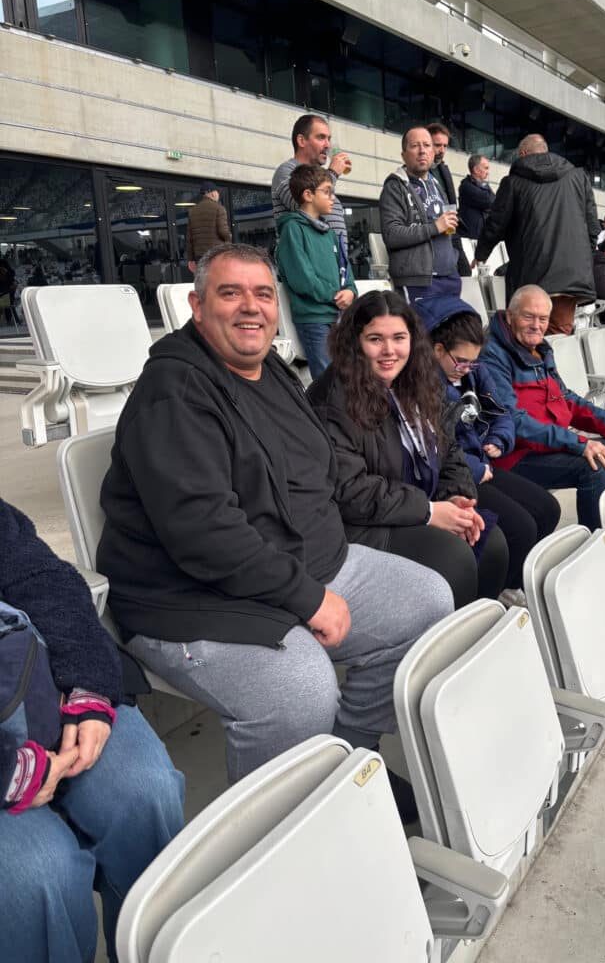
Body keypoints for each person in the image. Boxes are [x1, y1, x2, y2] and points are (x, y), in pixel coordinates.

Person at [97, 243, 453, 801]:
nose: (251, 307)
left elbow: (320, 472)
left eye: (263, 294)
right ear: (197, 306)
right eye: (230, 293)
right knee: (300, 687)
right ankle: (276, 825)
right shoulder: (175, 392)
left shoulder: (272, 372)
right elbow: (205, 533)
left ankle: (344, 763)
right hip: (195, 598)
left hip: (302, 566)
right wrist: (307, 597)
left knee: (428, 601)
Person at [0, 497, 184, 963]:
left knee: (146, 792)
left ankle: (143, 951)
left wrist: (88, 687)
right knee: (41, 875)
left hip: (36, 687)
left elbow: (41, 577)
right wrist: (9, 773)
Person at [308, 290, 508, 608]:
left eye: (399, 338)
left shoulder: (415, 380)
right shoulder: (334, 398)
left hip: (416, 503)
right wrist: (429, 512)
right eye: (375, 339)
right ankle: (447, 634)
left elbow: (449, 449)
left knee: (492, 544)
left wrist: (455, 495)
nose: (389, 350)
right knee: (454, 558)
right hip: (365, 524)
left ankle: (479, 628)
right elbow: (351, 490)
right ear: (354, 342)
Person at [423, 295, 561, 603]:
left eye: (472, 361)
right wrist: (475, 468)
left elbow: (501, 413)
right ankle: (489, 599)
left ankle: (511, 584)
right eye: (461, 361)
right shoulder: (424, 385)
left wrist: (499, 439)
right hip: (456, 477)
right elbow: (435, 447)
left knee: (547, 509)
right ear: (437, 350)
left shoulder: (475, 371)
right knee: (520, 527)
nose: (466, 368)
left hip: (482, 465)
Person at [480, 284, 605, 531]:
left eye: (543, 319)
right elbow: (512, 420)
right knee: (596, 466)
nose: (537, 325)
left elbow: (566, 398)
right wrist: (578, 443)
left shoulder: (540, 349)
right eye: (528, 316)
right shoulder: (492, 354)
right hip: (513, 453)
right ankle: (597, 540)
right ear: (510, 316)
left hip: (548, 444)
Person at [474, 134, 600, 334]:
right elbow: (593, 227)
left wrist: (480, 254)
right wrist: (582, 258)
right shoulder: (578, 177)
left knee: (526, 335)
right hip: (571, 276)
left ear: (523, 153)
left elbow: (495, 224)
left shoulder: (513, 182)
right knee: (558, 334)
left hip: (531, 275)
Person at [274, 164, 357, 379]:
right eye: (327, 191)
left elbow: (345, 269)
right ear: (308, 195)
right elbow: (303, 279)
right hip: (313, 319)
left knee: (347, 376)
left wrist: (350, 290)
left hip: (338, 316)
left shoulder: (330, 233)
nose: (333, 198)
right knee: (326, 380)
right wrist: (335, 296)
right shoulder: (293, 229)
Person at [379, 127, 460, 307]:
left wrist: (454, 261)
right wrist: (435, 227)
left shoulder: (436, 184)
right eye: (415, 145)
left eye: (427, 145)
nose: (422, 150)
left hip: (450, 278)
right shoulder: (395, 187)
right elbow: (392, 235)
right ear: (403, 155)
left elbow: (449, 229)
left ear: (433, 152)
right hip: (418, 283)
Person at [271, 113, 351, 256]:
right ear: (301, 140)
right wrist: (332, 173)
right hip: (308, 260)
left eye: (328, 139)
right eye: (321, 137)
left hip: (331, 262)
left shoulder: (323, 178)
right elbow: (302, 204)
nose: (327, 145)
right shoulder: (286, 171)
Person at [427, 122, 471, 275]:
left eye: (445, 146)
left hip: (451, 230)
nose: (442, 150)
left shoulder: (443, 169)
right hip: (433, 233)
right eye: (438, 145)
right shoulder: (417, 173)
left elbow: (451, 202)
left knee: (465, 271)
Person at [186, 182, 232, 273]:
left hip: (200, 256)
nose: (218, 195)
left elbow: (189, 238)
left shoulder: (192, 211)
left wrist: (191, 259)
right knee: (218, 278)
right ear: (213, 193)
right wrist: (229, 239)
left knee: (203, 279)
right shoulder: (219, 208)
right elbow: (223, 232)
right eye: (218, 192)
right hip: (216, 254)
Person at [458, 154, 494, 239]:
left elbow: (496, 202)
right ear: (476, 170)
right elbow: (490, 201)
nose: (488, 172)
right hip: (470, 237)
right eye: (486, 168)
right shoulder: (466, 186)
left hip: (481, 236)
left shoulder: (484, 186)